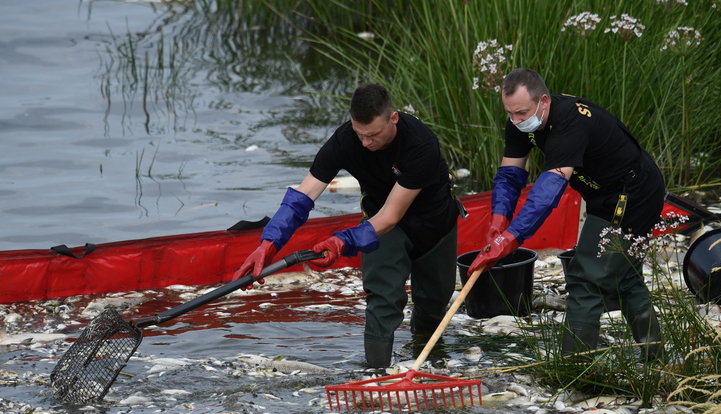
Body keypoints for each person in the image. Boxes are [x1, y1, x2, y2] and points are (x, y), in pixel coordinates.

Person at [231, 83, 461, 368]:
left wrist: (341, 241)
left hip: (433, 225)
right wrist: (268, 244)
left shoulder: (420, 144)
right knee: (382, 299)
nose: (365, 143)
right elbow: (302, 197)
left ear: (393, 118)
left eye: (373, 135)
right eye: (360, 134)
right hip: (381, 228)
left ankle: (428, 365)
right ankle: (375, 376)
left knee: (433, 306)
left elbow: (392, 214)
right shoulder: (345, 140)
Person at [468, 68, 665, 360]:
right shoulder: (520, 122)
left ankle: (576, 366)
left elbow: (548, 192)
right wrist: (498, 221)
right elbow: (510, 175)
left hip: (633, 192)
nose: (516, 121)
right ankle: (654, 357)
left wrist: (512, 238)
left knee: (586, 278)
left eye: (522, 113)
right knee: (623, 275)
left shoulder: (570, 123)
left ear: (543, 101)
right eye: (510, 114)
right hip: (601, 194)